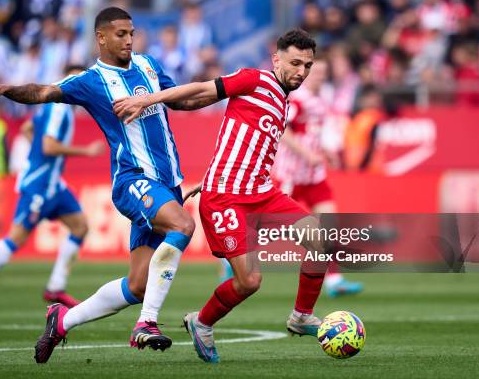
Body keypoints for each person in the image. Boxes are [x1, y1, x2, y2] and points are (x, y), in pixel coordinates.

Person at [0, 7, 213, 363]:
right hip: (133, 180)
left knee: (137, 285)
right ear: (101, 37)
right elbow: (45, 91)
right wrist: (8, 90)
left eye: (131, 33)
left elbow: (184, 100)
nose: (129, 40)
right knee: (183, 224)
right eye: (120, 34)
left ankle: (62, 321)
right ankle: (146, 323)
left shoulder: (148, 66)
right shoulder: (92, 80)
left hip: (167, 184)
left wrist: (225, 92)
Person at [114, 28, 328, 363]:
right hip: (226, 197)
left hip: (260, 191)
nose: (301, 72)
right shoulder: (252, 79)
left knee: (317, 238)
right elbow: (203, 90)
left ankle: (301, 316)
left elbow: (246, 144)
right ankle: (201, 322)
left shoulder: (283, 100)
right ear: (276, 59)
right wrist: (148, 98)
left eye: (307, 66)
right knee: (250, 281)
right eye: (295, 63)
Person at [0, 65, 105, 313]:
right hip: (39, 184)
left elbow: (28, 130)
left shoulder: (52, 105)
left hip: (53, 184)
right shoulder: (60, 111)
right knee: (17, 237)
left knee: (80, 226)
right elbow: (48, 147)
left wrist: (37, 151)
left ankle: (55, 288)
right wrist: (86, 151)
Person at [271, 58, 363, 298]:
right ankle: (230, 262)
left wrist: (326, 153)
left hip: (314, 177)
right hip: (291, 176)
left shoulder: (321, 101)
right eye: (316, 72)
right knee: (267, 227)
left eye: (324, 72)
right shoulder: (299, 100)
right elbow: (283, 129)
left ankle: (335, 281)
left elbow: (312, 134)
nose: (320, 76)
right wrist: (306, 154)